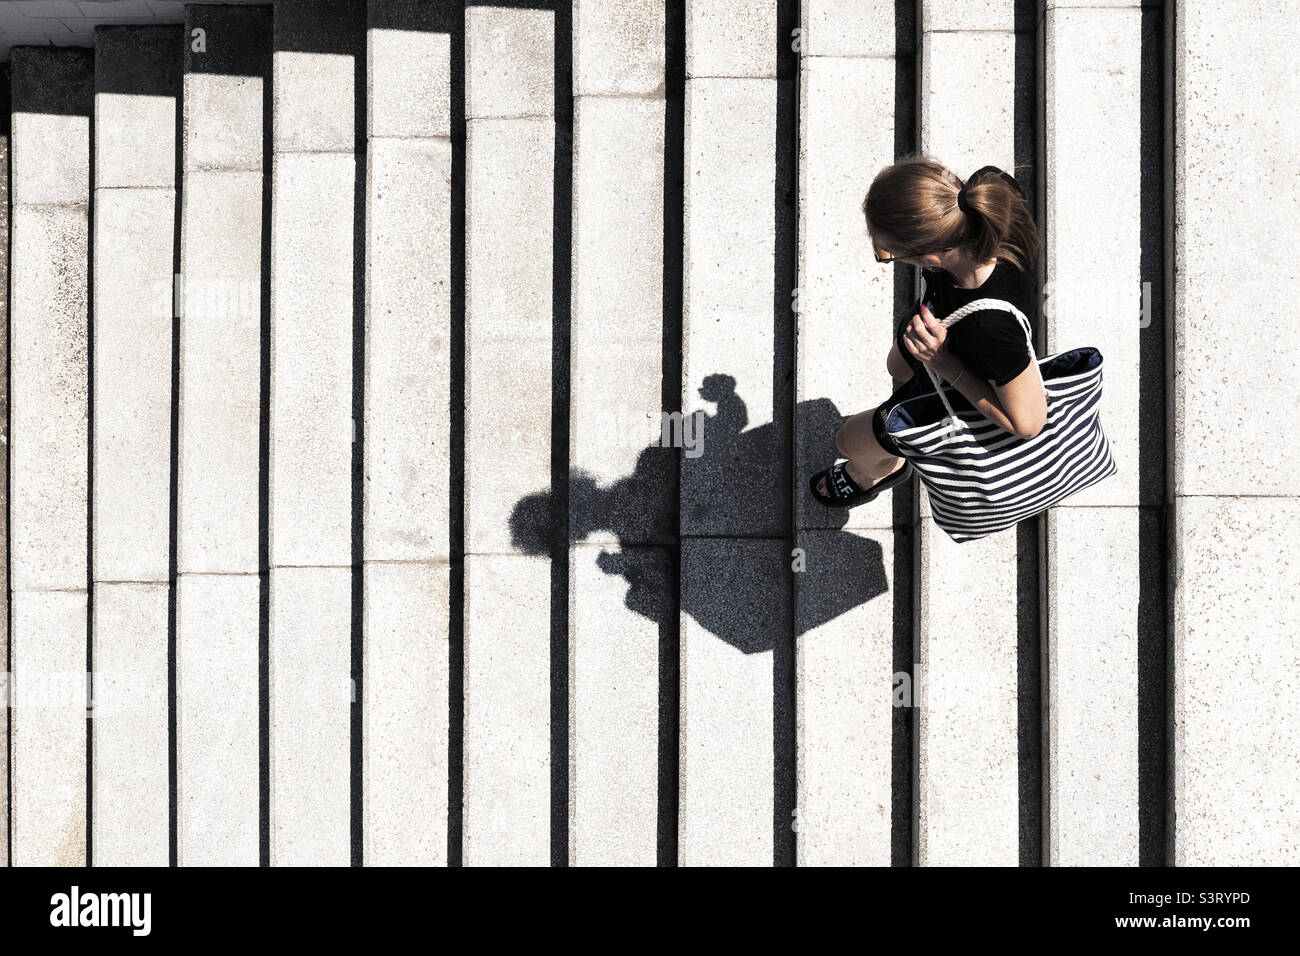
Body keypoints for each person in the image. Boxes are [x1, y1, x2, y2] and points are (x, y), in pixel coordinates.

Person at [810, 157, 1047, 508]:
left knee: (848, 440)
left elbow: (1028, 423)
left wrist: (942, 362)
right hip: (940, 322)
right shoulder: (986, 191)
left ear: (930, 256)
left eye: (889, 251)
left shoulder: (990, 329)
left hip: (960, 368)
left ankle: (878, 471)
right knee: (897, 366)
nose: (883, 252)